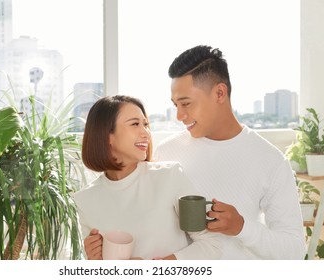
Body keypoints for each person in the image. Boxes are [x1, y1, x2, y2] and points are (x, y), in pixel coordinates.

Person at [154, 45, 306, 259]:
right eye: (175, 105)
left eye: (186, 103)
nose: (179, 115)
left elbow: (294, 251)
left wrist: (241, 227)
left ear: (219, 93)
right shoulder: (167, 153)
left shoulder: (270, 160)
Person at [73, 95, 221, 260]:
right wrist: (94, 260)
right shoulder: (85, 199)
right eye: (135, 124)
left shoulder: (169, 176)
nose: (146, 133)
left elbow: (211, 245)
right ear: (107, 135)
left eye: (145, 124)